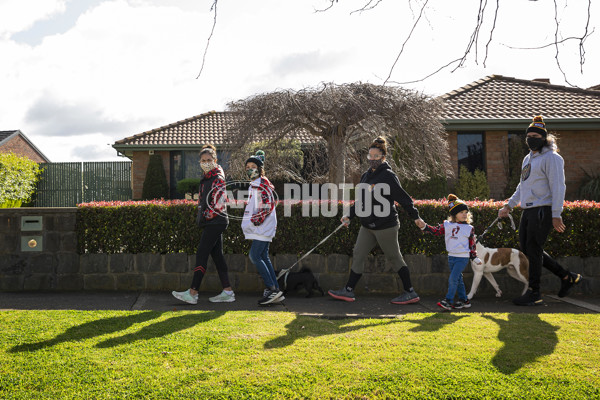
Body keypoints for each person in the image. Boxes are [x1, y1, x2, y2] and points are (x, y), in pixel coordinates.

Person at [328, 136, 426, 304]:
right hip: (367, 226)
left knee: (394, 257)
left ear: (383, 157)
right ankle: (349, 291)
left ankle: (410, 292)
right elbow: (361, 201)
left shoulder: (388, 176)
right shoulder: (366, 176)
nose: (372, 159)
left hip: (386, 226)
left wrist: (415, 217)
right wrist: (349, 215)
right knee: (358, 253)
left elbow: (404, 198)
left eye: (376, 156)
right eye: (370, 156)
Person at [498, 115, 582, 306]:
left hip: (542, 210)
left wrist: (556, 214)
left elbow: (558, 187)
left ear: (544, 138)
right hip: (528, 211)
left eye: (536, 135)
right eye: (529, 135)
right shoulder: (528, 159)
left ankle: (534, 292)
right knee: (529, 249)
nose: (531, 138)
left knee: (534, 249)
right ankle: (567, 276)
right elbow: (522, 186)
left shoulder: (552, 158)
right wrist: (508, 205)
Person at [172, 144, 235, 304]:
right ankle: (228, 292)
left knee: (202, 253)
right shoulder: (208, 178)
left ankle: (193, 293)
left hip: (215, 221)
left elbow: (219, 203)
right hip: (214, 221)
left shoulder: (217, 178)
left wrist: (206, 216)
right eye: (203, 160)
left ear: (215, 160)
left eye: (209, 160)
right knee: (217, 256)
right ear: (200, 162)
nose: (206, 162)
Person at [421, 194, 482, 310]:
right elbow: (436, 231)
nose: (464, 214)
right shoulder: (447, 225)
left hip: (462, 258)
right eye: (461, 212)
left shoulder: (469, 228)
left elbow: (472, 244)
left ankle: (448, 301)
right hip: (451, 257)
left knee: (453, 278)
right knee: (458, 279)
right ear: (454, 214)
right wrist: (425, 227)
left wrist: (474, 257)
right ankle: (464, 300)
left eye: (466, 212)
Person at [242, 150, 284, 305]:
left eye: (253, 166)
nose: (250, 169)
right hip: (263, 227)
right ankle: (275, 290)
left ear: (259, 169)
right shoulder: (255, 184)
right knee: (263, 256)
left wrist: (255, 221)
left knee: (254, 256)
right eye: (247, 167)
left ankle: (272, 289)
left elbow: (267, 205)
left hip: (263, 227)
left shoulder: (262, 184)